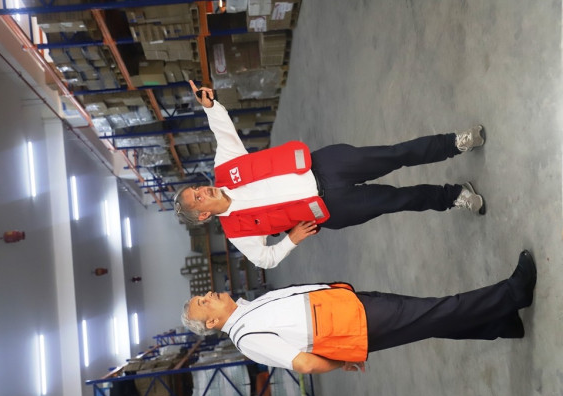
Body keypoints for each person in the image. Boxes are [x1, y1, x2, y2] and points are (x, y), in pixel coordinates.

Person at [175, 81, 486, 269]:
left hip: (326, 165)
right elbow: (264, 260)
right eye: (197, 199)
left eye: (196, 189)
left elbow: (223, 131)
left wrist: (210, 106)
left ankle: (455, 143)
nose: (202, 191)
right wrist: (290, 241)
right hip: (332, 208)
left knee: (395, 154)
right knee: (398, 200)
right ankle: (455, 196)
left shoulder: (226, 168)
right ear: (203, 215)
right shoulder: (238, 233)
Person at [181, 250, 536, 374]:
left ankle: (503, 324)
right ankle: (512, 294)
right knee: (434, 311)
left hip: (348, 308)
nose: (209, 294)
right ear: (211, 322)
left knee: (427, 320)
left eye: (203, 295)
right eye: (204, 302)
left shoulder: (247, 310)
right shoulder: (246, 338)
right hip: (354, 325)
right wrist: (341, 362)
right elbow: (303, 364)